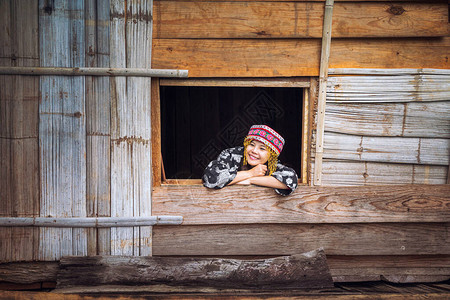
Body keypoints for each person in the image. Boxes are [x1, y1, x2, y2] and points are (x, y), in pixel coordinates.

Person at [202, 125, 298, 196]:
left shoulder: (272, 164)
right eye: (251, 145)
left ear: (271, 156)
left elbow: (291, 179)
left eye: (262, 149)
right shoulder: (230, 154)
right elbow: (211, 177)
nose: (254, 151)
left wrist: (250, 180)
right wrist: (250, 173)